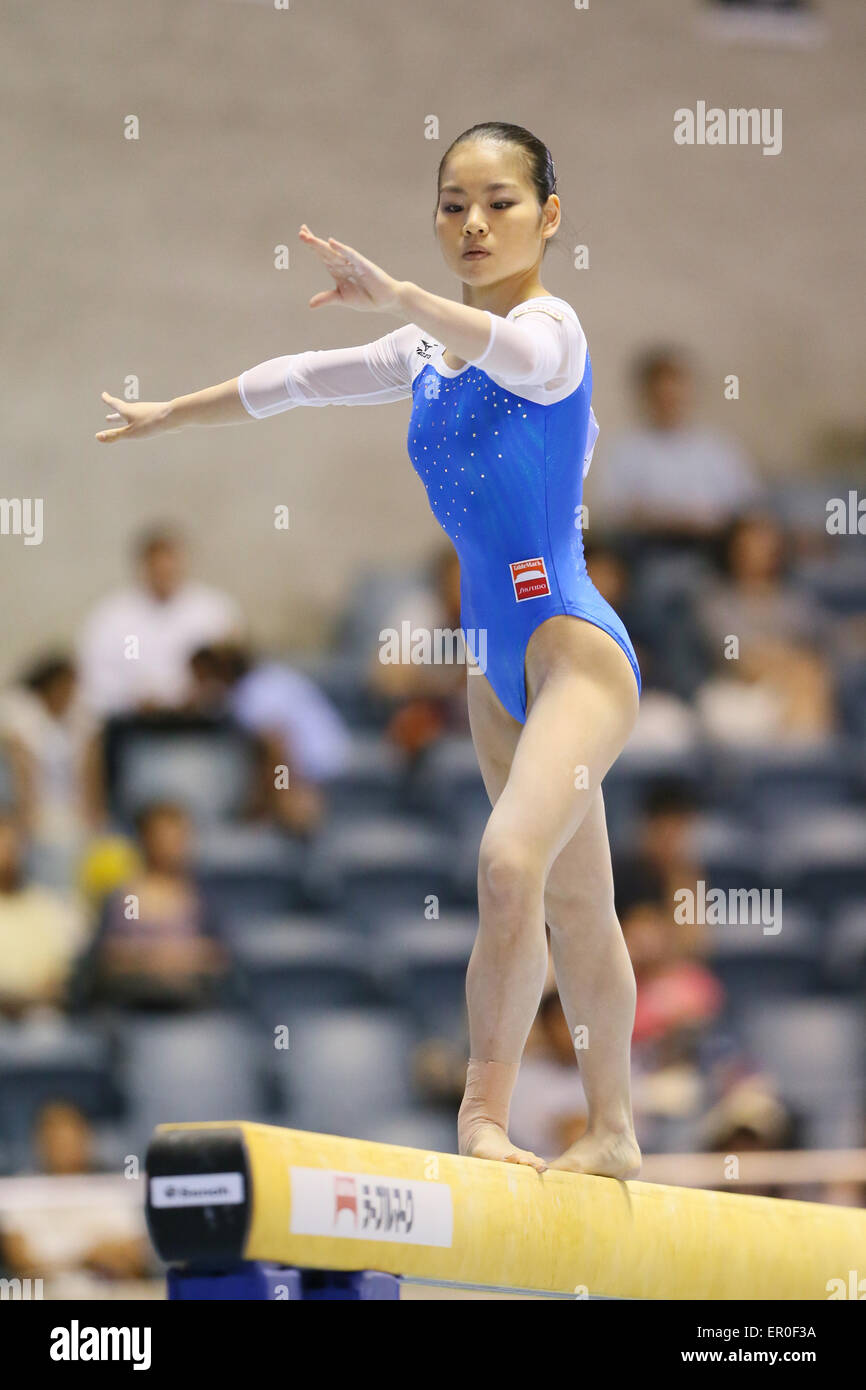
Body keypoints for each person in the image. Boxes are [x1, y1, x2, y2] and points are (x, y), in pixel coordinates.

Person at [95, 122, 644, 1179]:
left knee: (504, 861)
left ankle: (484, 1116)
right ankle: (612, 1132)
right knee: (573, 899)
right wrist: (173, 411)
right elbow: (298, 378)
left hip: (573, 651)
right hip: (494, 662)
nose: (473, 222)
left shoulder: (550, 329)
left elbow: (502, 349)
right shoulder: (420, 353)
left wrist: (399, 293)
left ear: (549, 216)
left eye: (498, 201)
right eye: (452, 204)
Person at [587, 347, 761, 544]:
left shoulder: (719, 448)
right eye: (661, 395)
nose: (668, 402)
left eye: (674, 394)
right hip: (645, 550)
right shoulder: (622, 450)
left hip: (713, 548)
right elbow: (609, 513)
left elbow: (747, 506)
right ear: (647, 396)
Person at [77, 524, 245, 719]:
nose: (163, 573)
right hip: (133, 726)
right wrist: (133, 699)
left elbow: (236, 669)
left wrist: (202, 695)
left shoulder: (215, 610)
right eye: (156, 566)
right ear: (143, 566)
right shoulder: (110, 616)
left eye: (170, 564)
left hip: (203, 723)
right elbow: (94, 676)